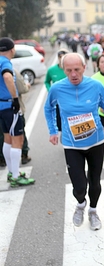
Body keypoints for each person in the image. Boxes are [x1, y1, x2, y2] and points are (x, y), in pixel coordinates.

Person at [44, 53, 104, 231]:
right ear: (63, 70)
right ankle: (81, 204)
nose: (73, 74)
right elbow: (49, 108)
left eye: (77, 69)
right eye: (68, 70)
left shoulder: (95, 85)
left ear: (84, 68)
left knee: (95, 182)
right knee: (79, 186)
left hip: (96, 142)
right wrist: (53, 131)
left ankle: (92, 211)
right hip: (71, 144)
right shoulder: (57, 89)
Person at [0, 37, 35, 187]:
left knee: (7, 138)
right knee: (17, 140)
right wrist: (15, 98)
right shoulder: (5, 63)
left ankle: (11, 171)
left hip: (1, 107)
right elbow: (7, 76)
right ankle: (15, 176)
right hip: (8, 106)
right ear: (12, 49)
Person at [0, 69, 32, 167]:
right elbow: (22, 88)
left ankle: (3, 159)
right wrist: (27, 86)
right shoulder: (9, 69)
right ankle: (23, 156)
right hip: (11, 107)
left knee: (4, 135)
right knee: (18, 135)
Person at [45, 49, 69, 133]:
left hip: (70, 98)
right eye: (60, 57)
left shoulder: (71, 70)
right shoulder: (51, 70)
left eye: (64, 57)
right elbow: (47, 82)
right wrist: (50, 90)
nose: (61, 59)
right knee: (60, 122)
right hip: (58, 100)